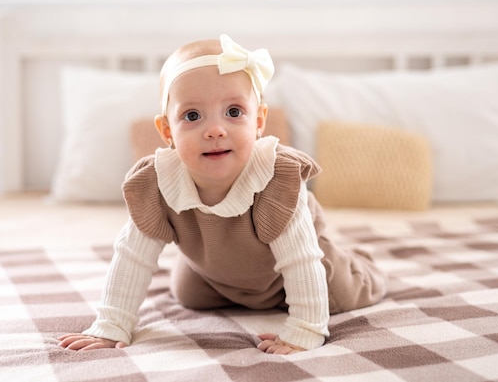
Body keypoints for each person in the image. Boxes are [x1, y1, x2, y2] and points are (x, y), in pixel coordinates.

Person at [58, 34, 386, 355]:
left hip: (297, 261)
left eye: (233, 112)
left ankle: (357, 262)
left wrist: (305, 329)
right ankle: (236, 289)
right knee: (187, 293)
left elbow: (300, 259)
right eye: (192, 116)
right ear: (167, 131)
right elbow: (133, 256)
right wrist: (111, 324)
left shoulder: (274, 178)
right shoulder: (158, 184)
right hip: (216, 272)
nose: (215, 130)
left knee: (341, 291)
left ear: (258, 121)